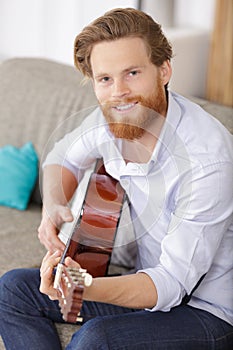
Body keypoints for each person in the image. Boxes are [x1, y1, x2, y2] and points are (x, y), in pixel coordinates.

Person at [0, 7, 233, 350]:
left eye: (133, 73)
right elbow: (61, 157)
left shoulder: (207, 159)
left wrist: (83, 287)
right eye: (105, 79)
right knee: (12, 291)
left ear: (164, 70)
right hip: (145, 283)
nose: (118, 92)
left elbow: (170, 284)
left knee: (97, 340)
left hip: (206, 311)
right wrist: (54, 205)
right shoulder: (109, 120)